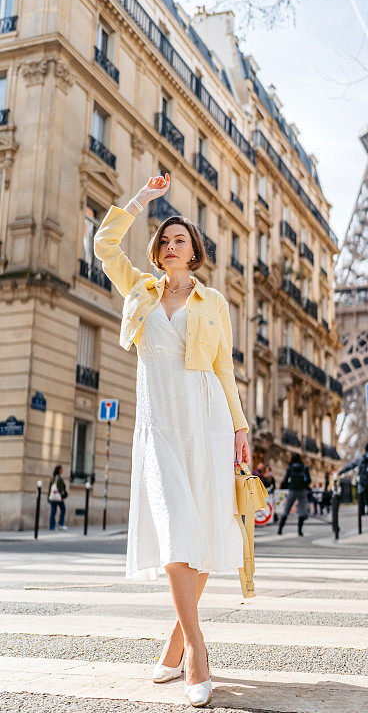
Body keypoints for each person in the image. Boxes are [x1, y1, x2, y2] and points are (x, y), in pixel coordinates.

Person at [93, 174, 250, 708]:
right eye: (164, 239)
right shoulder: (140, 288)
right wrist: (143, 200)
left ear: (194, 251)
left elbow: (224, 370)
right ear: (158, 253)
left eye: (180, 239)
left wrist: (240, 429)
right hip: (159, 423)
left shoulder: (213, 303)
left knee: (202, 529)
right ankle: (198, 650)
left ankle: (175, 640)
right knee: (176, 524)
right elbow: (102, 244)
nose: (170, 244)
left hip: (204, 418)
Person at [337, 443, 368, 541]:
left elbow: (350, 466)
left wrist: (339, 472)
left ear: (365, 449)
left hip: (363, 489)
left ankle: (366, 513)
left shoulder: (361, 459)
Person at [277, 453, 311, 536]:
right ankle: (300, 531)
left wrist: (286, 486)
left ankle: (280, 529)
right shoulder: (304, 467)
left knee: (286, 509)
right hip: (302, 491)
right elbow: (309, 480)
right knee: (302, 511)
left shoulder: (290, 467)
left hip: (292, 490)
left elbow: (285, 480)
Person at [48, 464, 68, 531]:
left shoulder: (52, 478)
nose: (62, 470)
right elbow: (60, 489)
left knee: (53, 512)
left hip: (52, 498)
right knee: (63, 509)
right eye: (62, 469)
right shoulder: (59, 478)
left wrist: (49, 498)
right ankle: (60, 524)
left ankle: (51, 526)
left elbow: (49, 489)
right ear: (59, 470)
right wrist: (62, 496)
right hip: (58, 498)